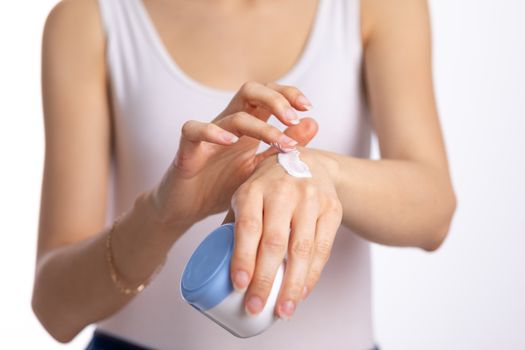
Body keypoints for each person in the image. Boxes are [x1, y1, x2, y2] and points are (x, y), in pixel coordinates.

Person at [32, 0, 457, 348]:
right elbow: (54, 310)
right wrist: (162, 216)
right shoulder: (88, 20)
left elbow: (434, 213)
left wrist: (317, 172)